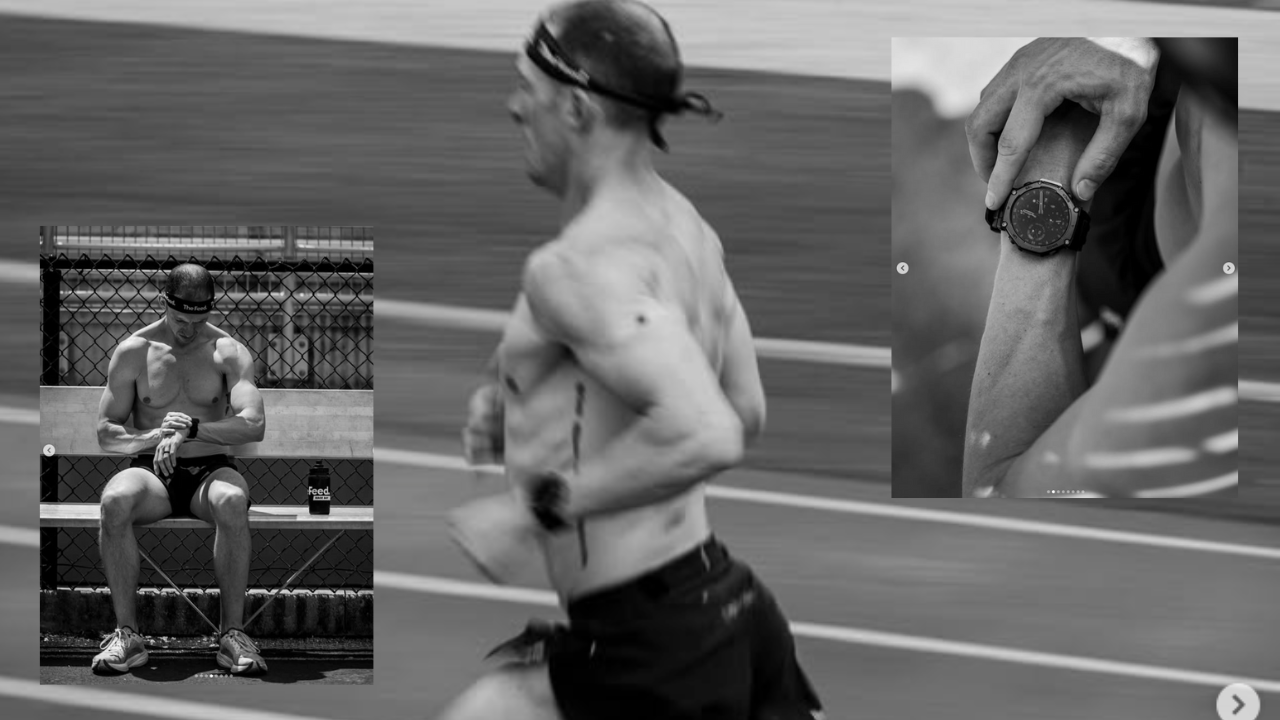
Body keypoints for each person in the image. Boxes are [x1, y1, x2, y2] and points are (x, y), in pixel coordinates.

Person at [440, 2, 824, 718]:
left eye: (528, 87)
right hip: (718, 608)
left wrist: (531, 511)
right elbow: (746, 410)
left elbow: (707, 432)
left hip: (655, 654)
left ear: (578, 109)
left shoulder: (575, 266)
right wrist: (512, 396)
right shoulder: (688, 234)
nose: (513, 105)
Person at [961, 38, 1237, 497]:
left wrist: (1047, 163)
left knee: (1109, 308)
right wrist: (1126, 48)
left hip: (1153, 272)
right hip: (1162, 116)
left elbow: (994, 488)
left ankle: (1112, 334)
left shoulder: (1213, 329)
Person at [92, 262, 269, 674]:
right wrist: (153, 437)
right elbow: (105, 432)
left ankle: (232, 636)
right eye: (179, 320)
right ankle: (127, 635)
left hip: (209, 470)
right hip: (150, 473)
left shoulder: (227, 351)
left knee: (232, 500)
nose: (189, 329)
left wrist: (192, 427)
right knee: (115, 501)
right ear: (164, 304)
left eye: (199, 320)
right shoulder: (135, 351)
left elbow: (253, 424)